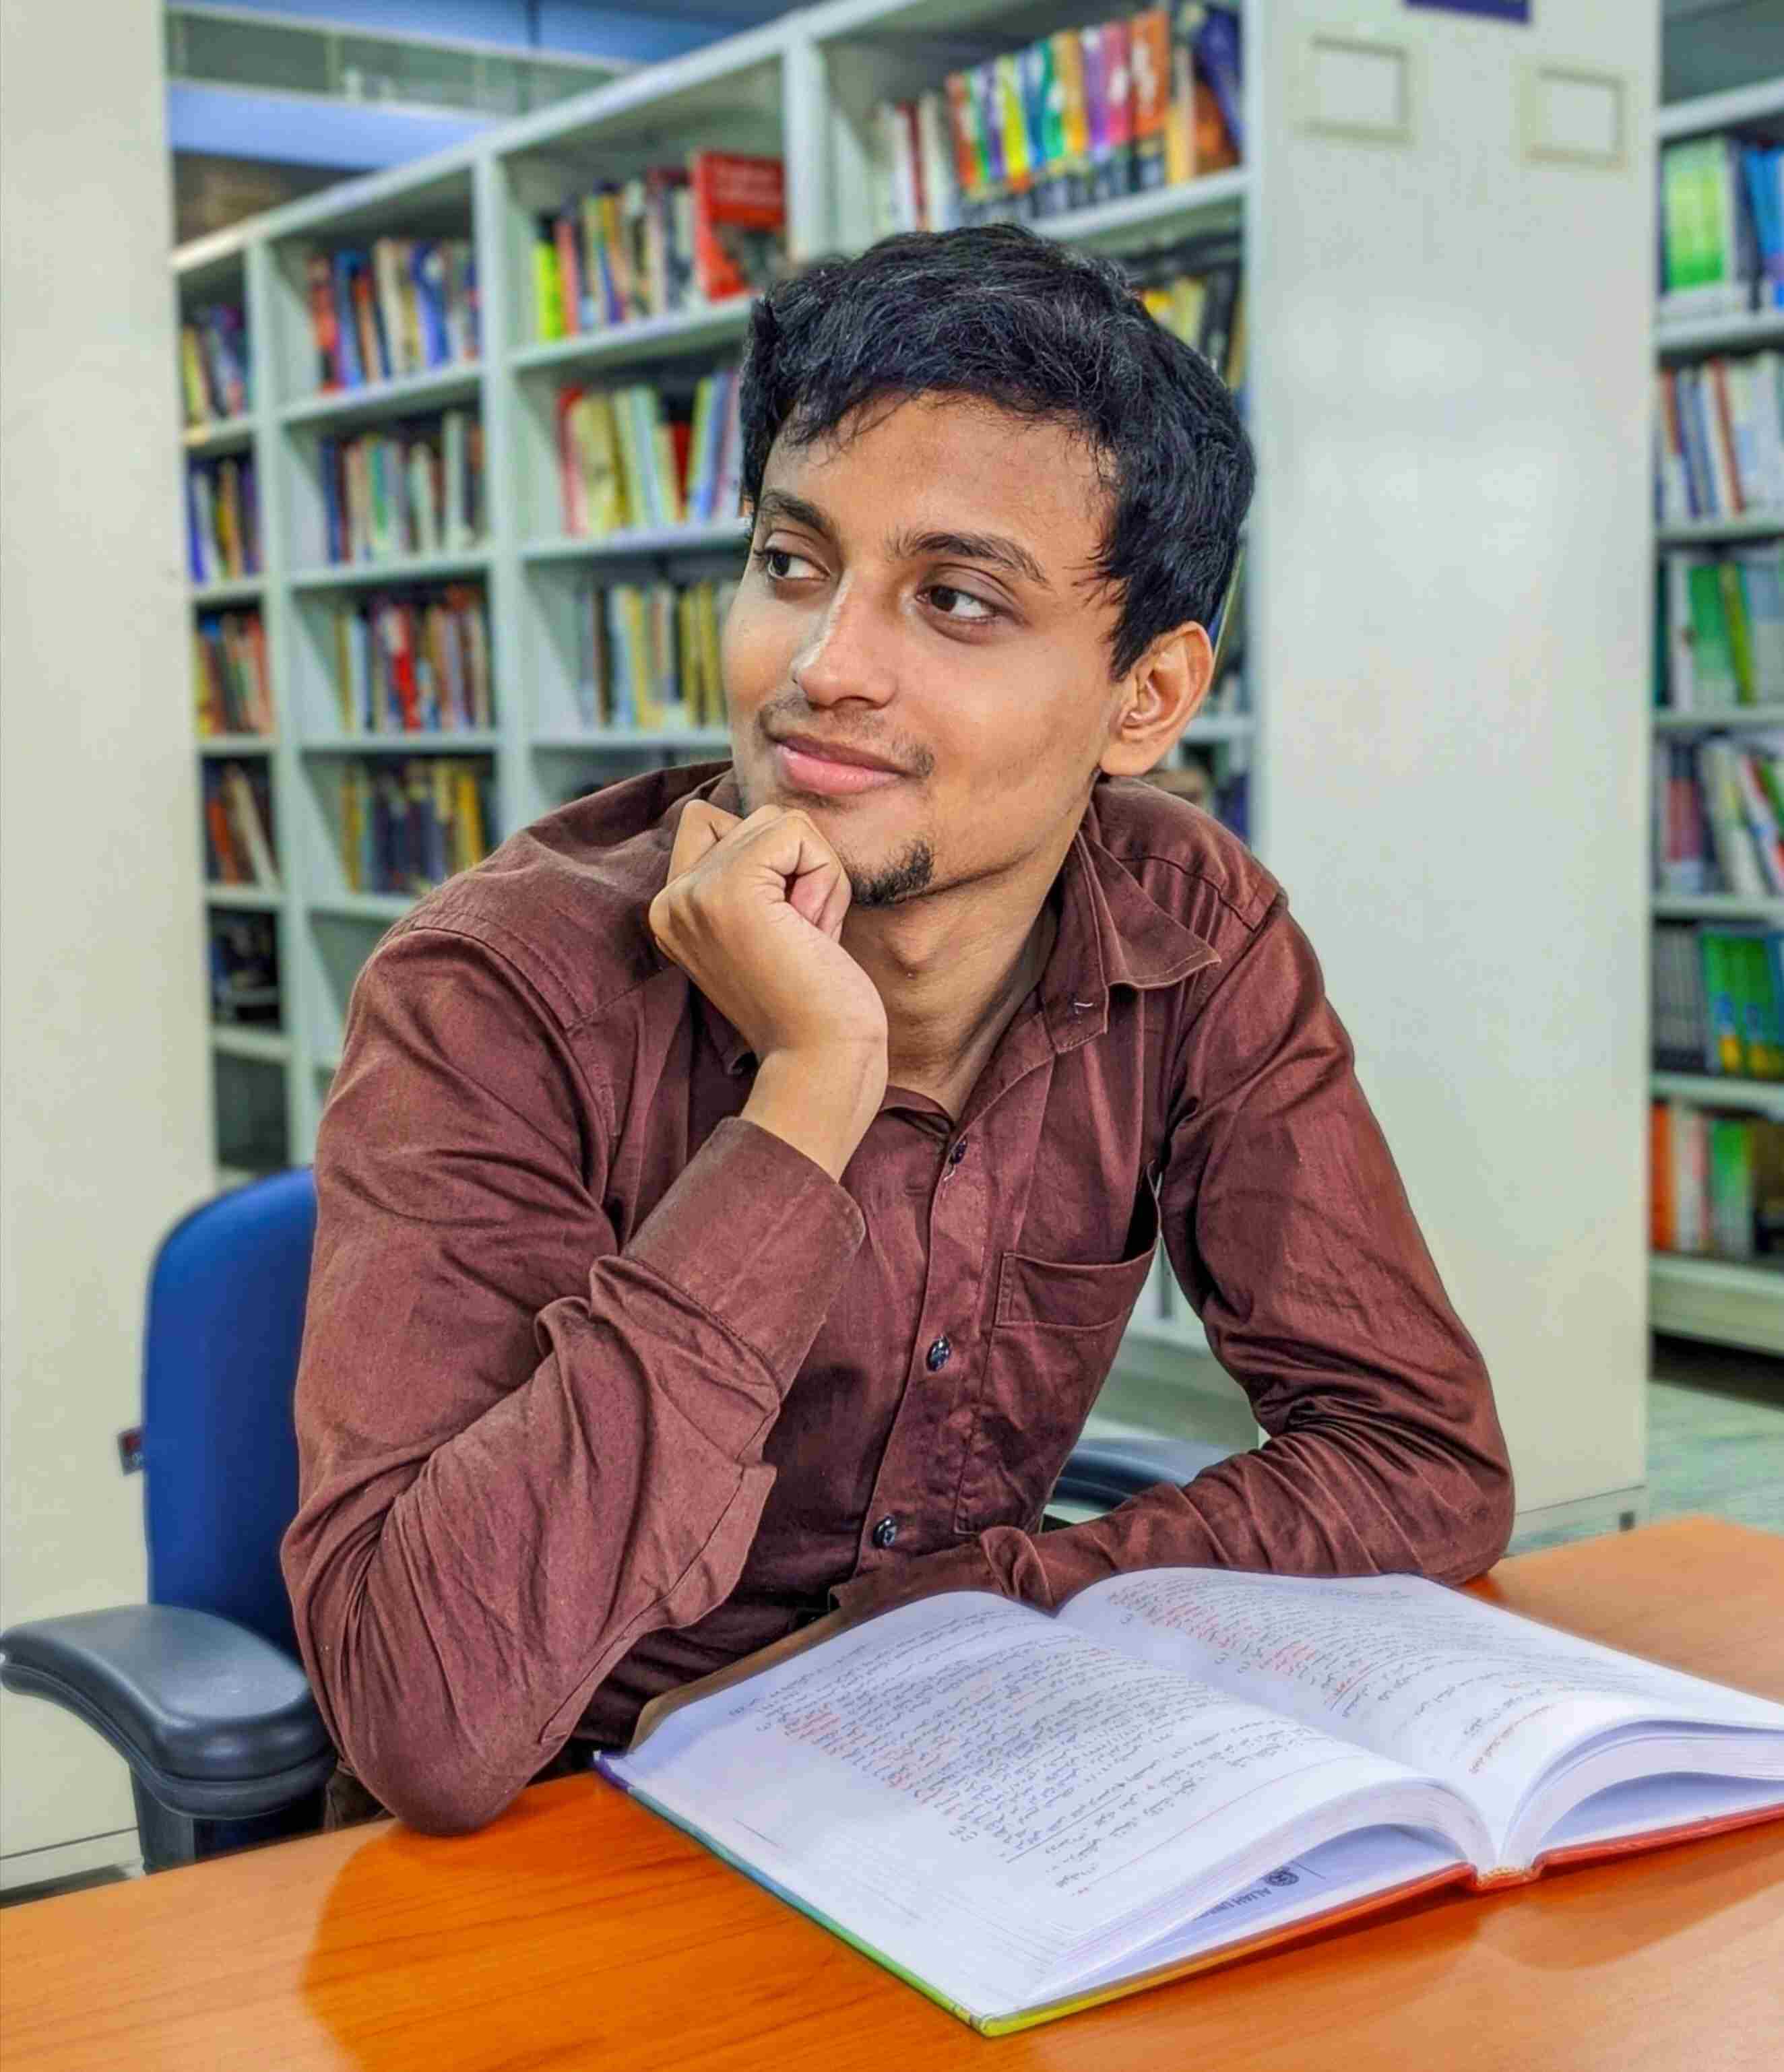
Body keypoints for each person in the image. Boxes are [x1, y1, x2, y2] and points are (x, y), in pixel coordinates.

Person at [282, 224, 1514, 1838]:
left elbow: (1423, 1454)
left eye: (955, 599)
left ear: (1145, 698)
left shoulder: (1191, 934)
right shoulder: (498, 988)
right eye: (792, 564)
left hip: (952, 1780)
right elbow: (425, 1717)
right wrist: (807, 1094)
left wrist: (967, 1614)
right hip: (553, 1833)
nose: (820, 667)